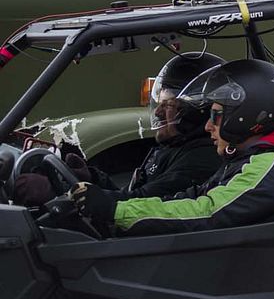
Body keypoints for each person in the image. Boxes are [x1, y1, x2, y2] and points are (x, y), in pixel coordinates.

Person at [73, 59, 274, 236]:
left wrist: (116, 210)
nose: (208, 126)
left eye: (216, 116)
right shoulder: (252, 159)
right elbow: (192, 197)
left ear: (245, 117)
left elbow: (206, 212)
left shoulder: (270, 166)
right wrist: (114, 204)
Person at [13, 52, 224, 207]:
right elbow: (132, 196)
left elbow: (142, 205)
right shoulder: (174, 147)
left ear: (196, 113)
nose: (158, 113)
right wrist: (91, 178)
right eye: (159, 103)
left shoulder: (202, 158)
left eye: (168, 106)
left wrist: (66, 193)